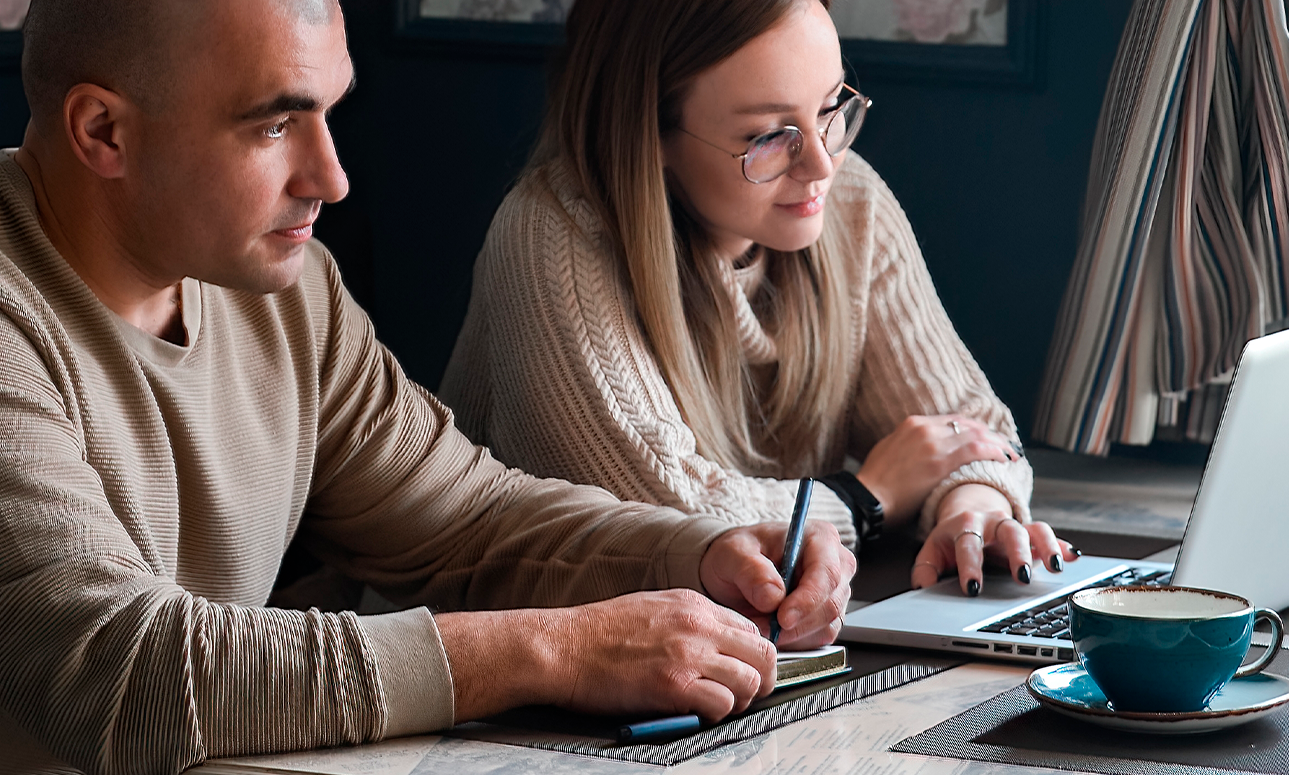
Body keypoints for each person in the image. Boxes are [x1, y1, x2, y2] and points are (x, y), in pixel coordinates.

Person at [0, 1, 856, 771]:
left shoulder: (288, 292)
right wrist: (552, 649)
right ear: (103, 132)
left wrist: (702, 551)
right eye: (272, 127)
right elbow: (111, 671)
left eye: (330, 112)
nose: (331, 178)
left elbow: (467, 521)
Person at [440, 0, 1078, 596]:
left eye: (831, 108)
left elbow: (972, 430)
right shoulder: (551, 236)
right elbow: (666, 523)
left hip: (729, 638)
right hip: (502, 655)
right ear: (649, 132)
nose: (823, 164)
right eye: (771, 136)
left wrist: (974, 506)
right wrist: (867, 498)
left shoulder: (848, 203)